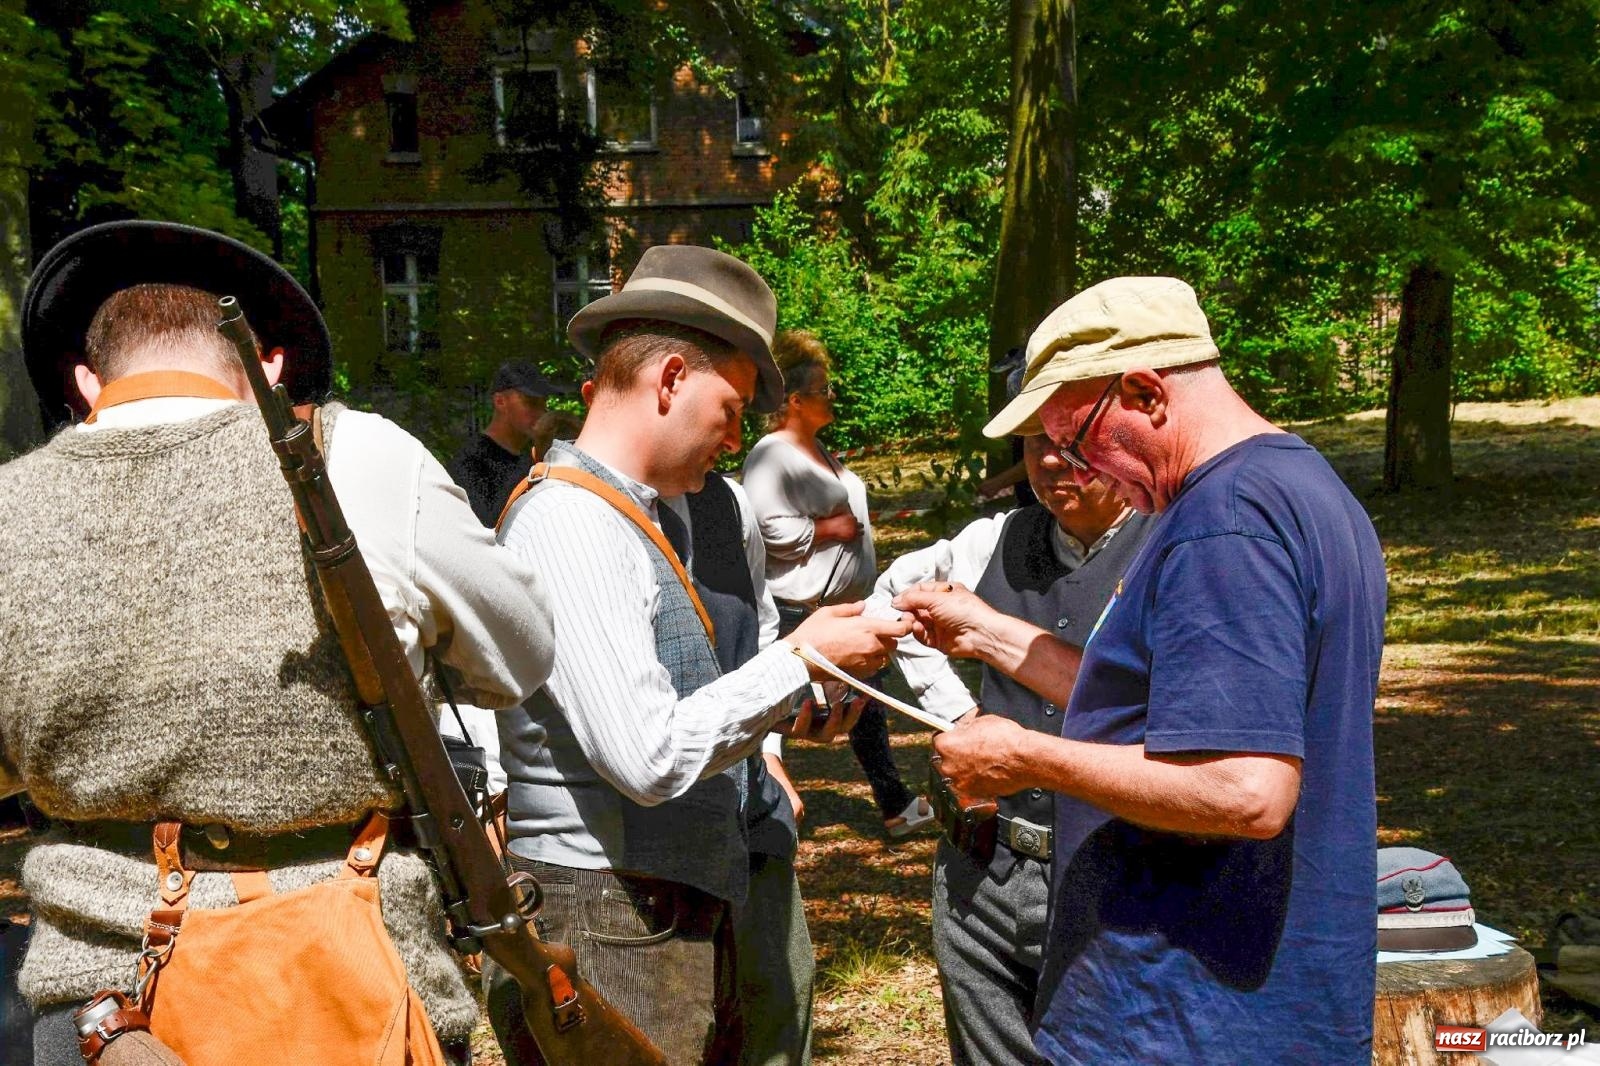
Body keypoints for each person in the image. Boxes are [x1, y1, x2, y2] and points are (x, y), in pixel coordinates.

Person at [2, 220, 555, 1065]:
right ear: (270, 367)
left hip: (100, 1014)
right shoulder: (358, 454)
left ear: (85, 380)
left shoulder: (7, 507)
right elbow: (521, 657)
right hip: (349, 990)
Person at [894, 276, 1386, 1064]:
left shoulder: (1223, 526)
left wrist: (1020, 756)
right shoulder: (1297, 487)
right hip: (1249, 1002)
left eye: (1083, 440)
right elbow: (1163, 706)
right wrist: (988, 633)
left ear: (1146, 392)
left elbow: (1244, 789)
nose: (1074, 467)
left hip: (1187, 1015)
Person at [491, 245, 909, 1065]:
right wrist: (802, 657)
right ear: (672, 378)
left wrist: (789, 710)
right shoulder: (571, 522)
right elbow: (646, 757)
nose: (736, 438)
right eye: (733, 407)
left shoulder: (631, 514)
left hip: (658, 906)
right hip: (607, 916)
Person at [866, 433, 1148, 1066]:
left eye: (1073, 441)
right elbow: (893, 592)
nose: (1050, 460)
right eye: (1035, 442)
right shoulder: (996, 538)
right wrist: (958, 711)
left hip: (1118, 882)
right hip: (981, 876)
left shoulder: (1169, 544)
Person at [741, 330, 933, 839]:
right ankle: (759, 800)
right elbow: (764, 527)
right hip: (798, 610)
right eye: (823, 389)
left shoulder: (816, 449)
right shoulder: (770, 455)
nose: (833, 397)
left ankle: (894, 805)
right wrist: (828, 529)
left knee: (865, 702)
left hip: (845, 604)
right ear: (795, 400)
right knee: (776, 707)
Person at [449, 360, 576, 525]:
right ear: (500, 401)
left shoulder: (532, 459)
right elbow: (485, 527)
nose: (541, 412)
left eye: (543, 404)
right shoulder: (471, 460)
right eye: (531, 403)